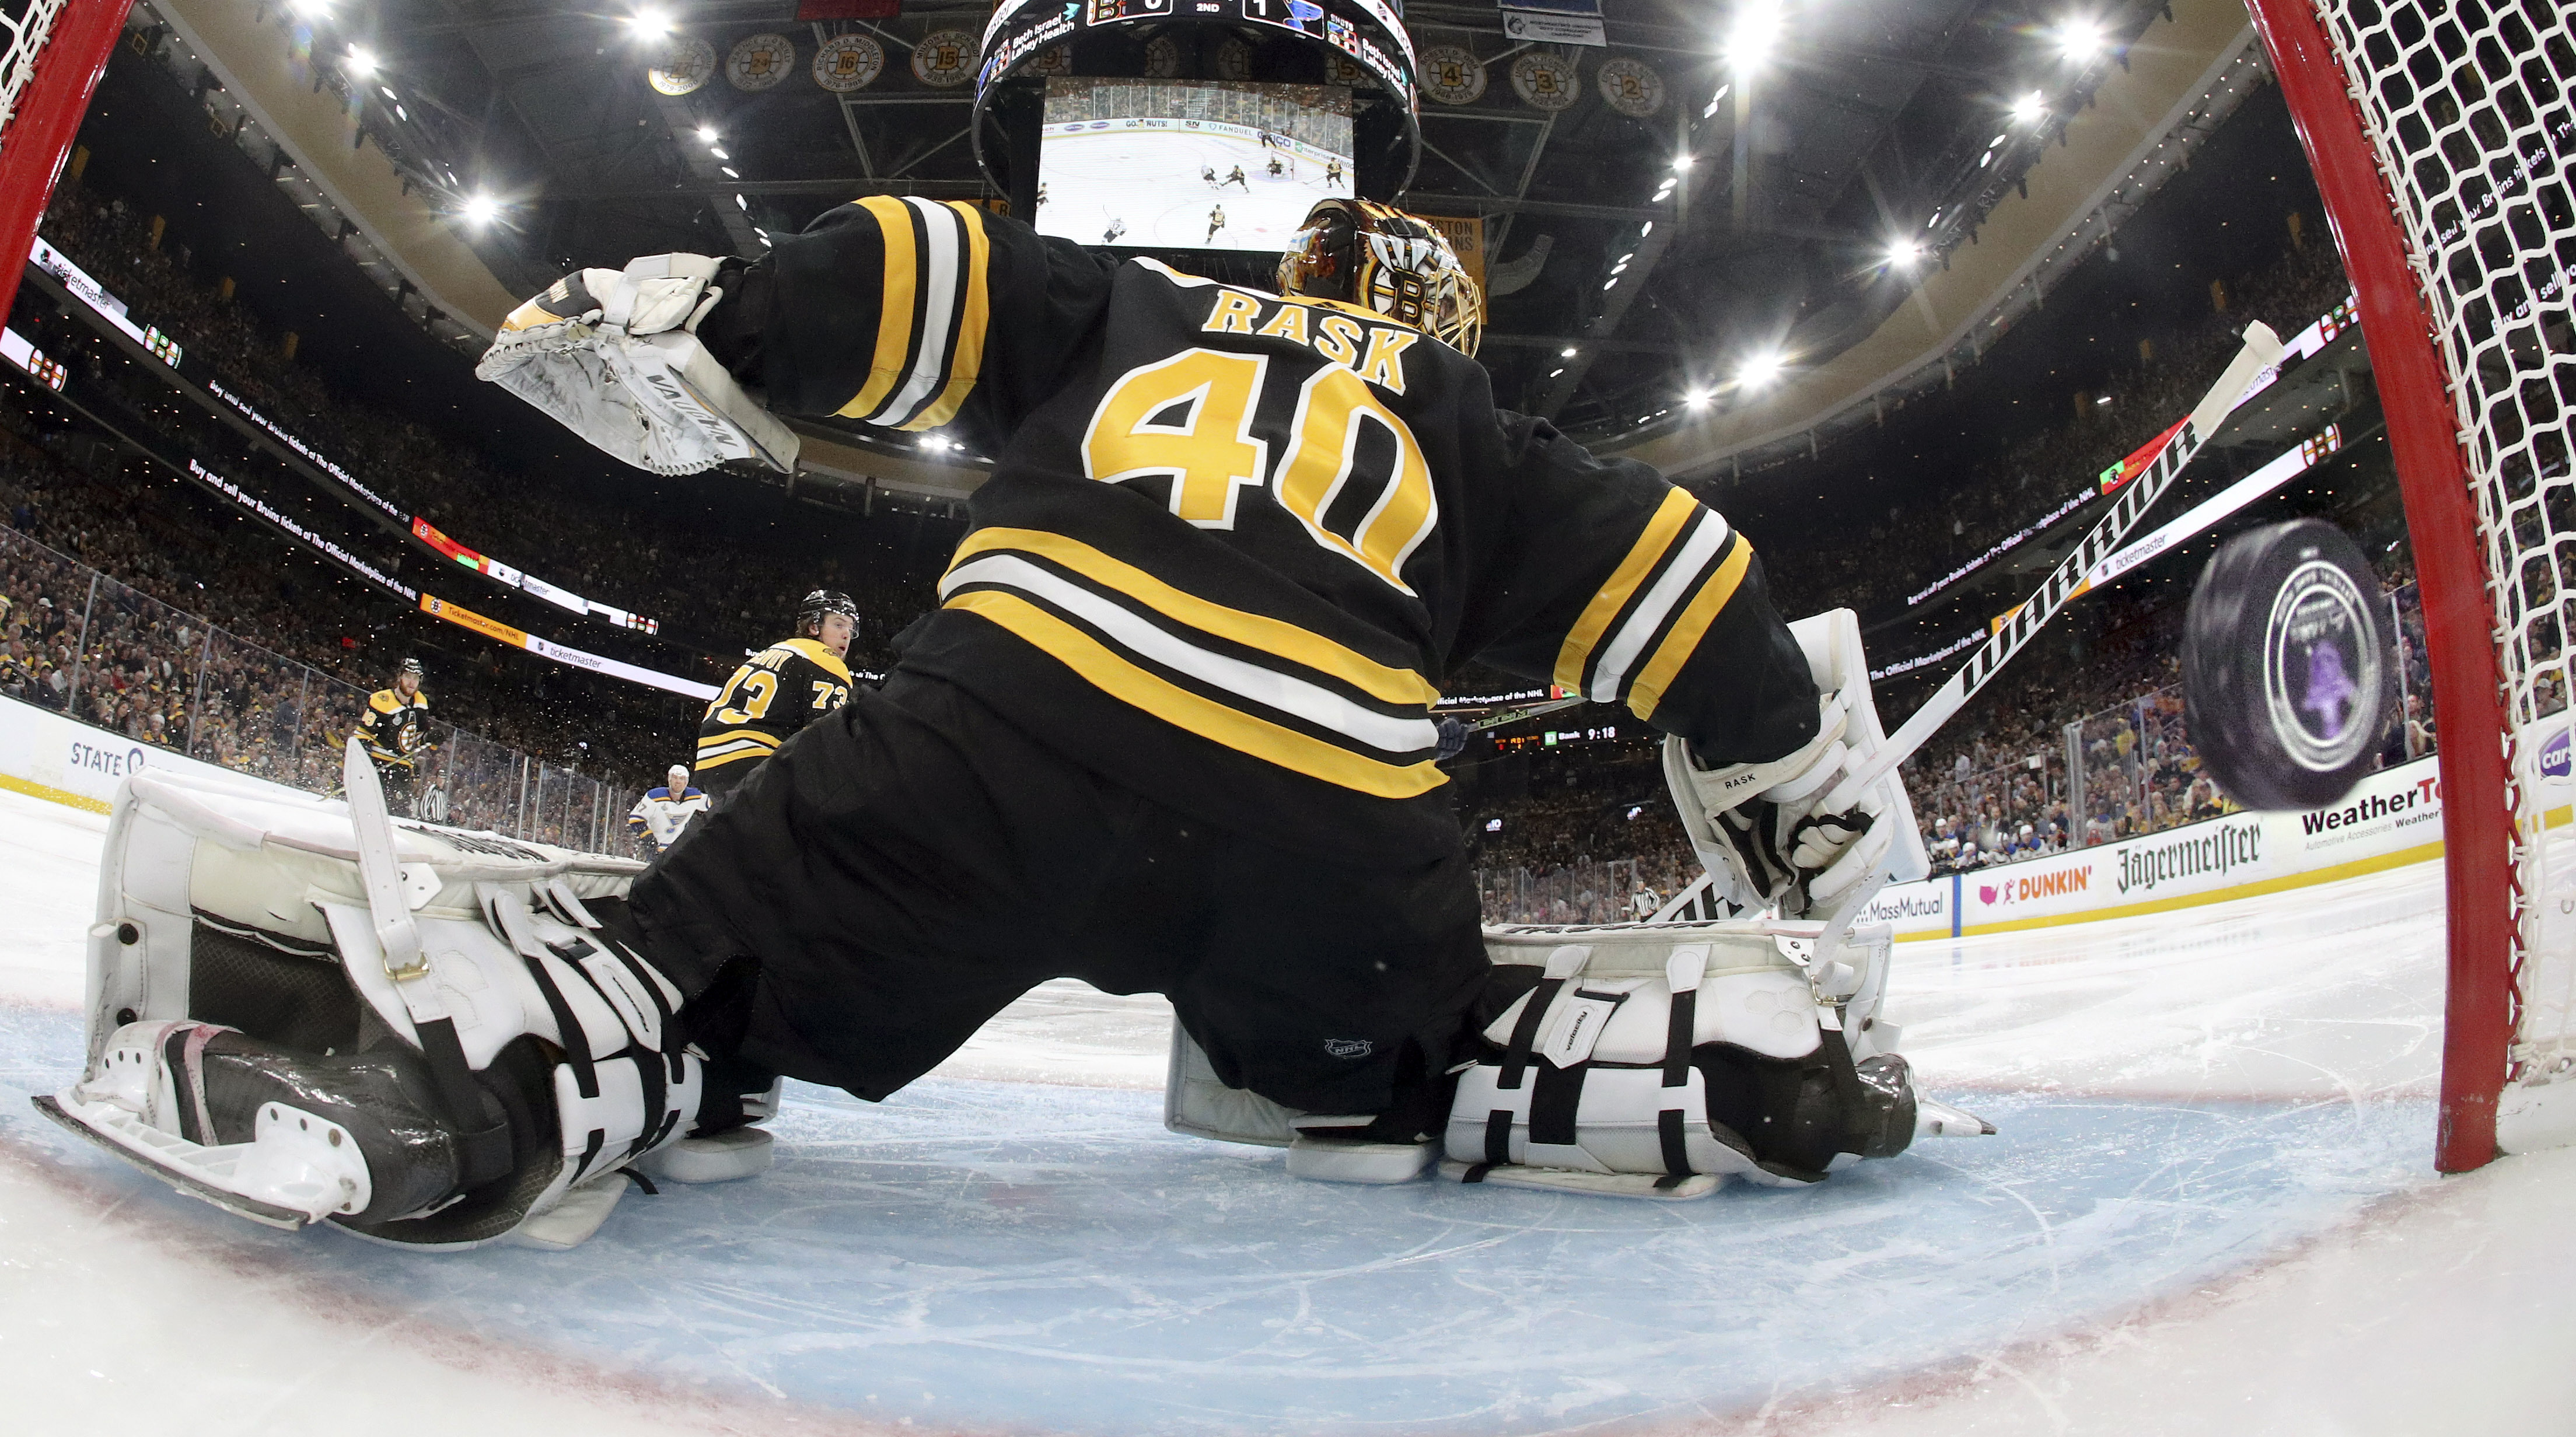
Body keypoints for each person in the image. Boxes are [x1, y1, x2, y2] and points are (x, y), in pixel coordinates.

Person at [100, 196, 1914, 1240]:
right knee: (1411, 1059)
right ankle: (1702, 1065)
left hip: (1001, 732)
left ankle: (489, 1079)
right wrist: (1785, 765)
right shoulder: (1478, 436)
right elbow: (1690, 581)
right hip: (1328, 817)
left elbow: (923, 266)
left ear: (1291, 279)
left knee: (697, 970)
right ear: (1446, 326)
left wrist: (727, 317)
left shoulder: (1143, 303)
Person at [695, 590, 856, 800]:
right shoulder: (827, 660)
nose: (846, 634)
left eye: (851, 629)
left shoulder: (774, 650)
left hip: (709, 760)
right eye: (838, 624)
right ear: (814, 626)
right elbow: (824, 737)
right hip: (756, 763)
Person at [356, 656, 432, 817]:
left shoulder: (421, 703)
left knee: (398, 816)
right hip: (380, 764)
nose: (412, 682)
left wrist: (431, 739)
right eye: (408, 677)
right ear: (400, 677)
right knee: (371, 812)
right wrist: (365, 767)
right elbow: (363, 735)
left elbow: (419, 738)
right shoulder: (382, 700)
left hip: (403, 768)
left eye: (416, 678)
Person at [628, 764, 712, 855]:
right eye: (675, 778)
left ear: (686, 782)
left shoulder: (694, 796)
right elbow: (635, 820)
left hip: (676, 850)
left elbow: (714, 801)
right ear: (669, 780)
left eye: (682, 779)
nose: (678, 782)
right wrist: (649, 841)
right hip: (655, 849)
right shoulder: (654, 796)